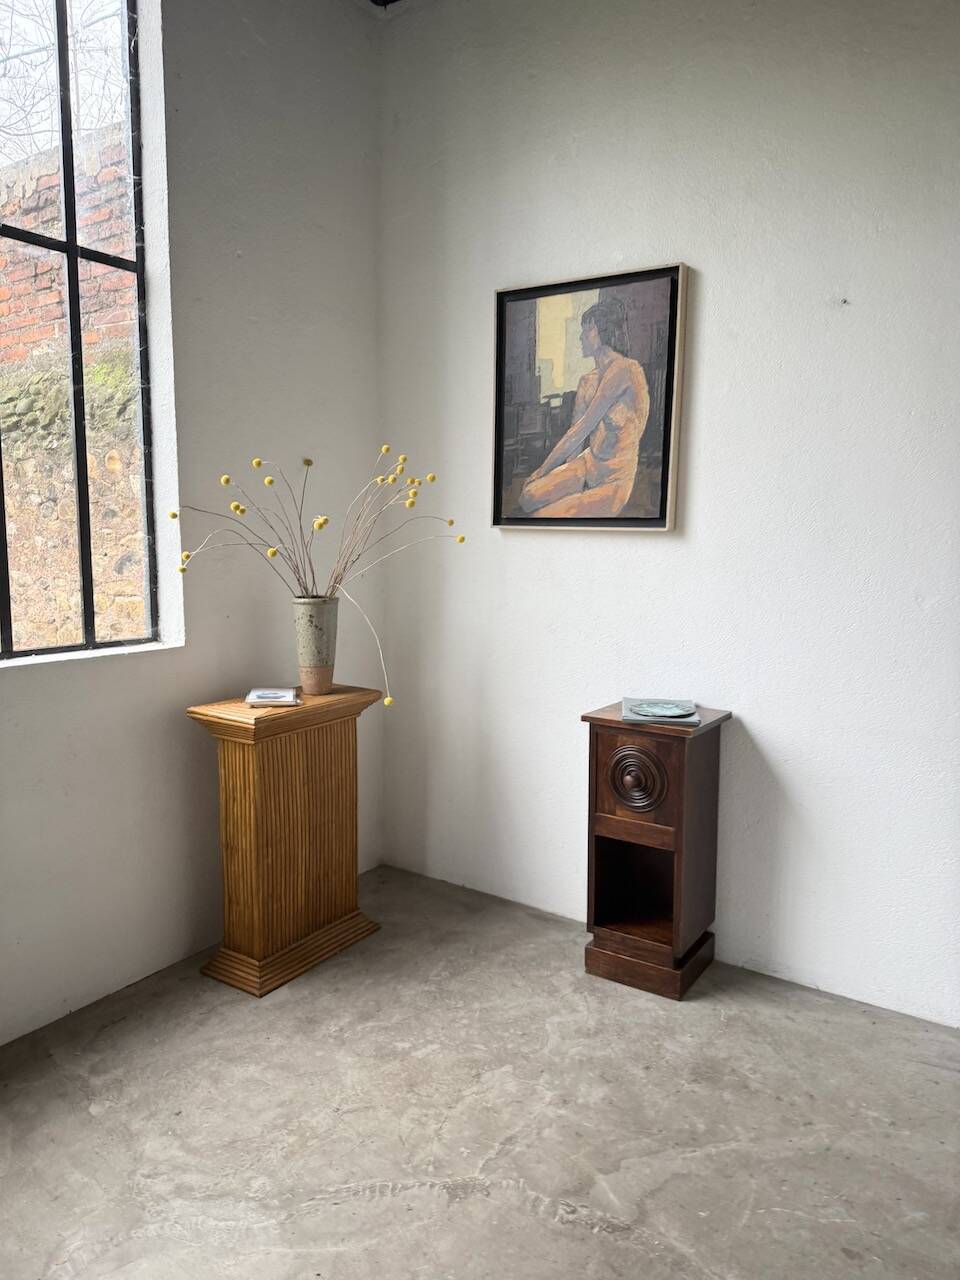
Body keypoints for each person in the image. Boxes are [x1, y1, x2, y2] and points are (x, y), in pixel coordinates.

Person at [519, 297, 649, 517]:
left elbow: (582, 429)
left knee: (541, 516)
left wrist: (544, 470)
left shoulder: (626, 370)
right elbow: (575, 440)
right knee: (528, 496)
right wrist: (565, 477)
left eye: (588, 330)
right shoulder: (587, 381)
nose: (581, 337)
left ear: (603, 332)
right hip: (588, 465)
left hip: (614, 479)